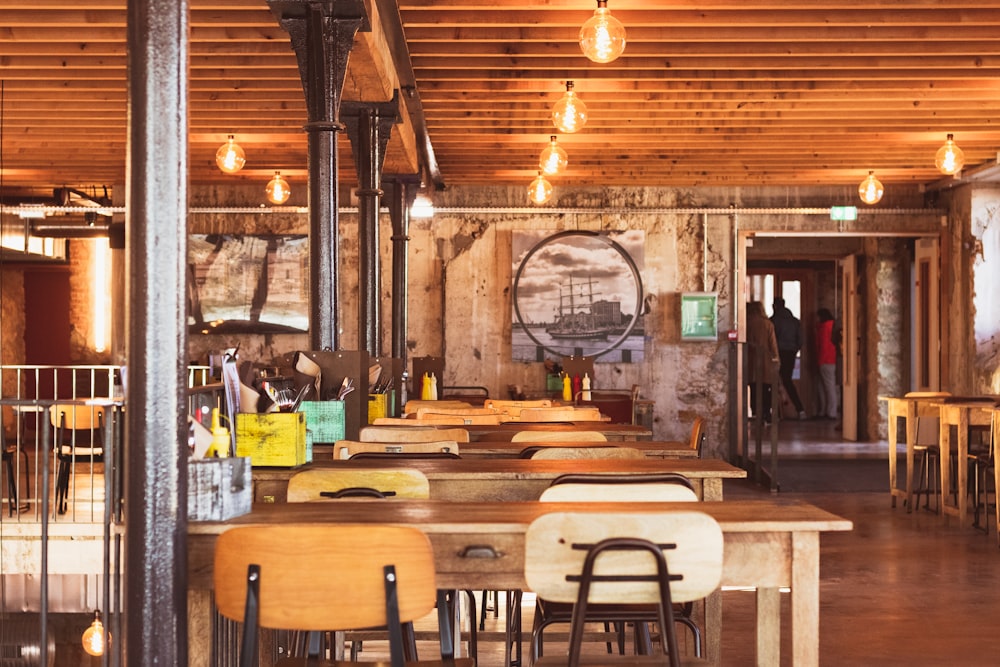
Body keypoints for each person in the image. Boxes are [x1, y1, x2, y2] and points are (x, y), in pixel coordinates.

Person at [770, 298, 807, 420]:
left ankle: (774, 412)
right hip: (790, 353)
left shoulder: (773, 321)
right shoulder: (795, 321)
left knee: (773, 381)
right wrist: (794, 349)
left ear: (774, 306)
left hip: (777, 353)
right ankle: (800, 409)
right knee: (787, 381)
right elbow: (800, 340)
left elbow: (771, 340)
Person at [746, 301, 780, 424]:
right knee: (766, 389)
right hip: (766, 361)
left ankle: (755, 413)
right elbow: (773, 344)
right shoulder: (768, 324)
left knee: (754, 388)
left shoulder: (746, 323)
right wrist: (776, 359)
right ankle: (766, 413)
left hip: (750, 361)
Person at [816, 307, 839, 420]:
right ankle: (826, 410)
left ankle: (830, 412)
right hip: (830, 360)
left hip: (825, 360)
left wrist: (820, 360)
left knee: (828, 387)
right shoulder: (832, 326)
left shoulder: (824, 328)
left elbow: (824, 346)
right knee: (824, 386)